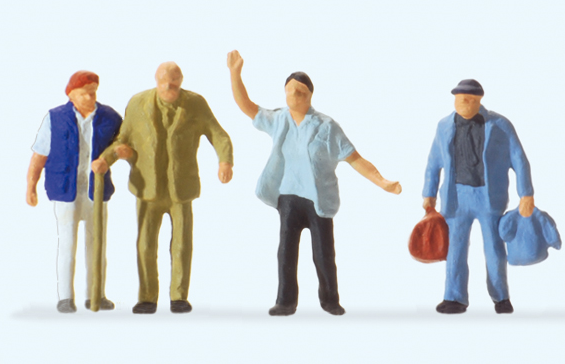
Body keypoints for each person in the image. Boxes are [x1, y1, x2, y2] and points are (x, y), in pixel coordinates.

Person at [226, 49, 401, 316]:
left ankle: (330, 299)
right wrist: (235, 74)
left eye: (300, 92)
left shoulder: (326, 126)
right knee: (286, 252)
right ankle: (285, 301)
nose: (294, 96)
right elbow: (247, 106)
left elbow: (354, 159)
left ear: (310, 96)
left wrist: (382, 181)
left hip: (318, 199)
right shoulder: (279, 119)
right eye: (290, 91)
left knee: (323, 253)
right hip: (288, 196)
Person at [92, 62, 233, 314]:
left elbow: (218, 133)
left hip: (181, 189)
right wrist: (108, 157)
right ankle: (147, 297)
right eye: (164, 81)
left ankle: (179, 296)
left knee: (182, 245)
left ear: (181, 80)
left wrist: (225, 161)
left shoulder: (196, 104)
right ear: (156, 80)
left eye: (174, 81)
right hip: (148, 187)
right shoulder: (138, 103)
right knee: (145, 244)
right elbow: (122, 139)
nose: (169, 86)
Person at [422, 79, 534, 314]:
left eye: (470, 99)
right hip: (455, 198)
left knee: (494, 248)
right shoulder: (444, 126)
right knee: (455, 248)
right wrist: (429, 194)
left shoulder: (500, 125)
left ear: (479, 100)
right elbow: (433, 163)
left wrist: (526, 194)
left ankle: (501, 297)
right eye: (460, 98)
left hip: (488, 197)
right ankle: (454, 297)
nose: (465, 102)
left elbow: (519, 159)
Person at [26, 70, 122, 313]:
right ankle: (66, 298)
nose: (90, 97)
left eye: (93, 92)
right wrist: (31, 186)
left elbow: (124, 144)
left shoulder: (110, 117)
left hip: (96, 190)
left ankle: (95, 294)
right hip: (65, 189)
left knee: (97, 245)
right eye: (84, 93)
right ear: (71, 94)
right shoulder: (55, 117)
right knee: (67, 244)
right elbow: (39, 155)